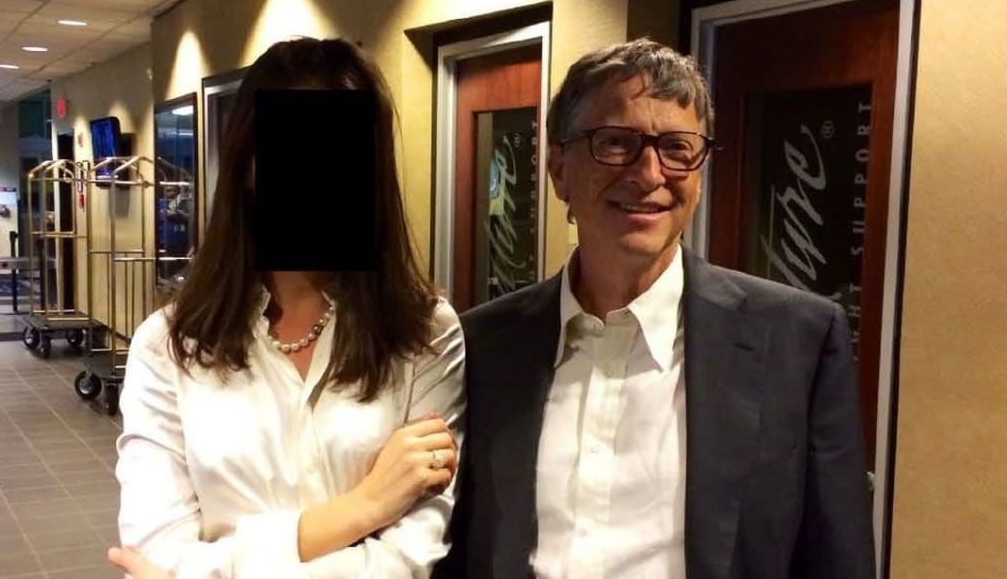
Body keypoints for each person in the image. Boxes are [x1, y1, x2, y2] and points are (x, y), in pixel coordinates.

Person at [433, 38, 875, 579]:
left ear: (700, 173)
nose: (648, 174)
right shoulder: (482, 345)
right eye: (615, 143)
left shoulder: (796, 341)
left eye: (677, 148)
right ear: (558, 169)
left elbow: (839, 559)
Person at [109, 37, 466, 578]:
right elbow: (158, 551)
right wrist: (365, 506)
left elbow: (407, 560)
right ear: (248, 168)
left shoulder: (424, 331)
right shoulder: (169, 344)